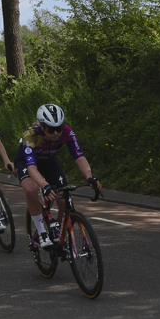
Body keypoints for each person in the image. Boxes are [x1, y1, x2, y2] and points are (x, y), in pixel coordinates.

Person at [14, 103, 100, 246]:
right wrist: (45, 185)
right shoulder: (31, 135)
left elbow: (79, 157)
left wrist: (89, 177)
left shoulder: (67, 132)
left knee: (63, 200)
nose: (55, 133)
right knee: (30, 190)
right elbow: (32, 168)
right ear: (41, 126)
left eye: (58, 128)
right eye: (50, 129)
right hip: (27, 162)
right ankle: (41, 231)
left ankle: (58, 231)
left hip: (48, 159)